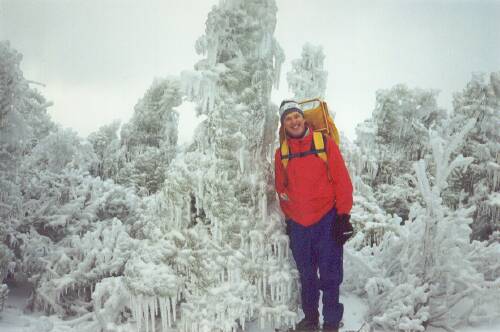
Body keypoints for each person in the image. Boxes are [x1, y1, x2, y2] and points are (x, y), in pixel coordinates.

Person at [275, 100, 354, 332]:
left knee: (330, 275)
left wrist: (343, 216)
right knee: (306, 275)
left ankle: (330, 322)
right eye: (288, 118)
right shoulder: (282, 153)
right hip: (299, 225)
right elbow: (281, 189)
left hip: (327, 219)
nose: (294, 121)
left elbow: (342, 180)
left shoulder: (324, 143)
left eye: (296, 116)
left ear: (304, 118)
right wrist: (290, 218)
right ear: (284, 125)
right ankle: (310, 319)